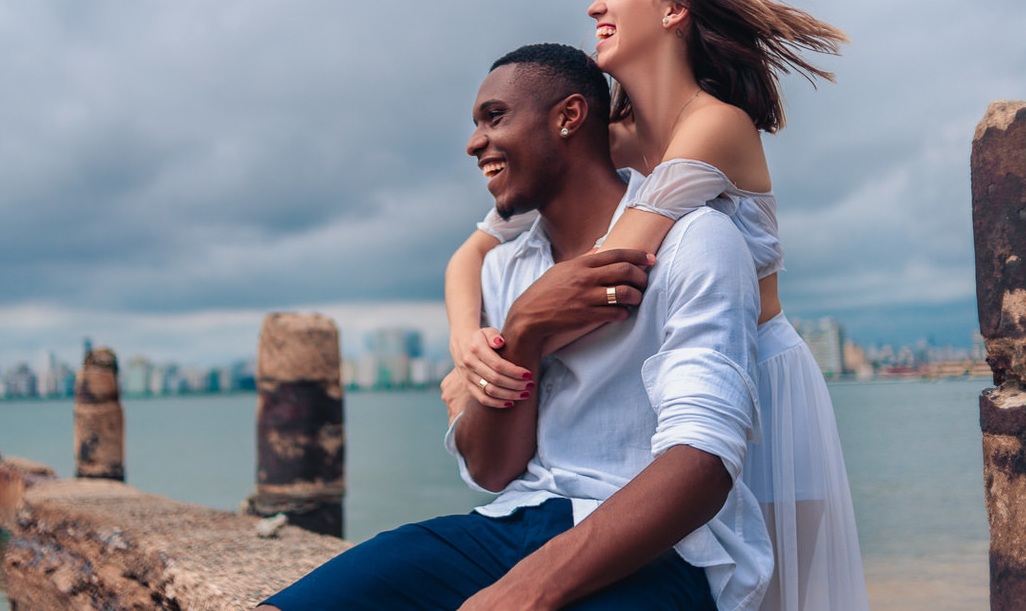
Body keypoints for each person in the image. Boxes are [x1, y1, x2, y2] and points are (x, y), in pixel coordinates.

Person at [262, 43, 771, 610]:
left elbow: (703, 464)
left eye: (494, 117)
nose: (474, 142)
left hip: (658, 551)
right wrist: (524, 329)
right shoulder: (503, 268)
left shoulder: (695, 241)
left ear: (568, 117)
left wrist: (528, 591)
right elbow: (492, 467)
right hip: (510, 525)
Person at [444, 0, 867, 610]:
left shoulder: (717, 124)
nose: (594, 6)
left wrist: (517, 336)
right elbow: (474, 252)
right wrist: (470, 348)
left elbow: (613, 272)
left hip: (761, 376)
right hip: (676, 375)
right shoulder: (613, 138)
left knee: (784, 593)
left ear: (674, 10)